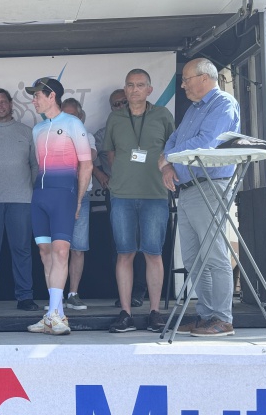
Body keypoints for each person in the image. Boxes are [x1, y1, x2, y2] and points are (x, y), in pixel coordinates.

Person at [160, 57, 240, 337]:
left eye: (186, 79)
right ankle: (206, 315)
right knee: (193, 258)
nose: (182, 85)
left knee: (214, 254)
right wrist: (167, 163)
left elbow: (207, 142)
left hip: (211, 184)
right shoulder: (194, 109)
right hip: (188, 187)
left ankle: (223, 318)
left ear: (204, 78)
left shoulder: (223, 104)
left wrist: (168, 158)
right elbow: (173, 140)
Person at [104, 69, 175, 333]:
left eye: (140, 85)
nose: (135, 90)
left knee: (153, 254)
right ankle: (126, 313)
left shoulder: (163, 115)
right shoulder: (115, 117)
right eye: (130, 85)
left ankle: (155, 312)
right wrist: (122, 177)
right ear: (125, 89)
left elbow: (172, 149)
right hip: (122, 195)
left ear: (150, 90)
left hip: (155, 194)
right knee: (124, 254)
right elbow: (111, 153)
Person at [26, 77, 93, 336]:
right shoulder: (37, 129)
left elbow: (86, 164)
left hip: (64, 195)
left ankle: (54, 313)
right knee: (45, 253)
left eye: (37, 95)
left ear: (51, 96)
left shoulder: (73, 123)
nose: (34, 100)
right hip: (40, 196)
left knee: (61, 252)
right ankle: (55, 314)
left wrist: (78, 199)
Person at [0, 88, 39, 312]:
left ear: (11, 104)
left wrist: (29, 188)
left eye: (3, 102)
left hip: (21, 199)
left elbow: (35, 165)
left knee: (22, 249)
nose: (0, 106)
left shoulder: (27, 132)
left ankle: (25, 297)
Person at [94, 89, 147, 308]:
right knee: (120, 243)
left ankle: (138, 292)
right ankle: (123, 293)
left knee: (141, 243)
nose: (121, 106)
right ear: (111, 108)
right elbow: (88, 157)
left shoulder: (143, 128)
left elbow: (149, 156)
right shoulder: (102, 133)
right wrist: (100, 175)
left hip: (142, 191)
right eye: (117, 104)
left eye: (124, 102)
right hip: (116, 193)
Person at [60, 98, 97, 310]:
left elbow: (90, 157)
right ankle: (56, 296)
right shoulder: (50, 138)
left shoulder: (87, 137)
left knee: (78, 248)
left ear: (81, 117)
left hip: (81, 197)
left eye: (72, 116)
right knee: (57, 248)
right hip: (58, 197)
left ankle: (73, 294)